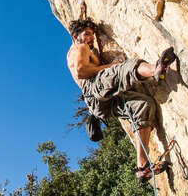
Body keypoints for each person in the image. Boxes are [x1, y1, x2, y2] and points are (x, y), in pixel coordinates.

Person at [66, 18, 176, 180]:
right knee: (124, 68)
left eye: (92, 34)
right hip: (92, 86)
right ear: (76, 37)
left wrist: (82, 9)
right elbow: (82, 71)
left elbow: (79, 30)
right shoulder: (80, 47)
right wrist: (111, 66)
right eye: (87, 34)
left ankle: (142, 166)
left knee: (143, 106)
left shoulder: (80, 47)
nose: (91, 38)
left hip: (97, 105)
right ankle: (155, 69)